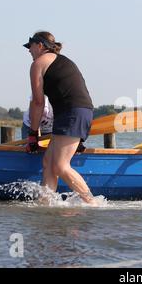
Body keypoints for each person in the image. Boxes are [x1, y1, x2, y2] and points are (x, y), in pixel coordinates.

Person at [23, 31, 96, 205]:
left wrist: (33, 134)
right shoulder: (62, 61)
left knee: (61, 166)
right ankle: (45, 203)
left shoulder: (38, 64)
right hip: (74, 112)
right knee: (48, 162)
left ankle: (93, 203)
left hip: (73, 113)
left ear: (40, 46)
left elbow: (38, 102)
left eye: (30, 46)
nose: (28, 51)